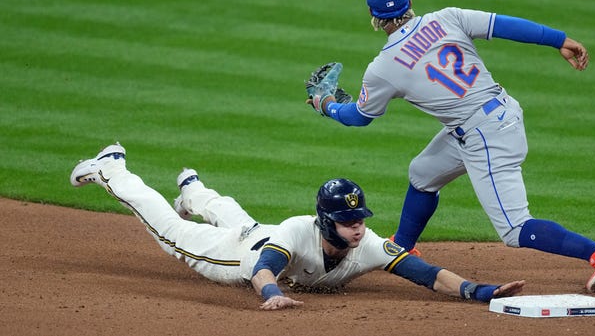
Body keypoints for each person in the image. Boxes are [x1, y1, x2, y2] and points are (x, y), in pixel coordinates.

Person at [306, 0, 595, 293]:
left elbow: (360, 117)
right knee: (423, 173)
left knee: (515, 228)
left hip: (485, 136)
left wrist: (326, 104)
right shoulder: (448, 17)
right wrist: (559, 40)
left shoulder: (384, 67)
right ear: (410, 3)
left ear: (372, 14)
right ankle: (402, 248)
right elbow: (505, 25)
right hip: (499, 112)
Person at [70, 143, 525, 310]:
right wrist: (271, 296)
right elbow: (263, 270)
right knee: (169, 230)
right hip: (237, 256)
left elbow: (425, 274)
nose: (358, 228)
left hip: (258, 232)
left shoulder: (365, 244)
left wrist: (478, 291)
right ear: (327, 222)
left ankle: (193, 191)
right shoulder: (296, 232)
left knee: (244, 220)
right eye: (348, 222)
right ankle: (112, 169)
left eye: (359, 219)